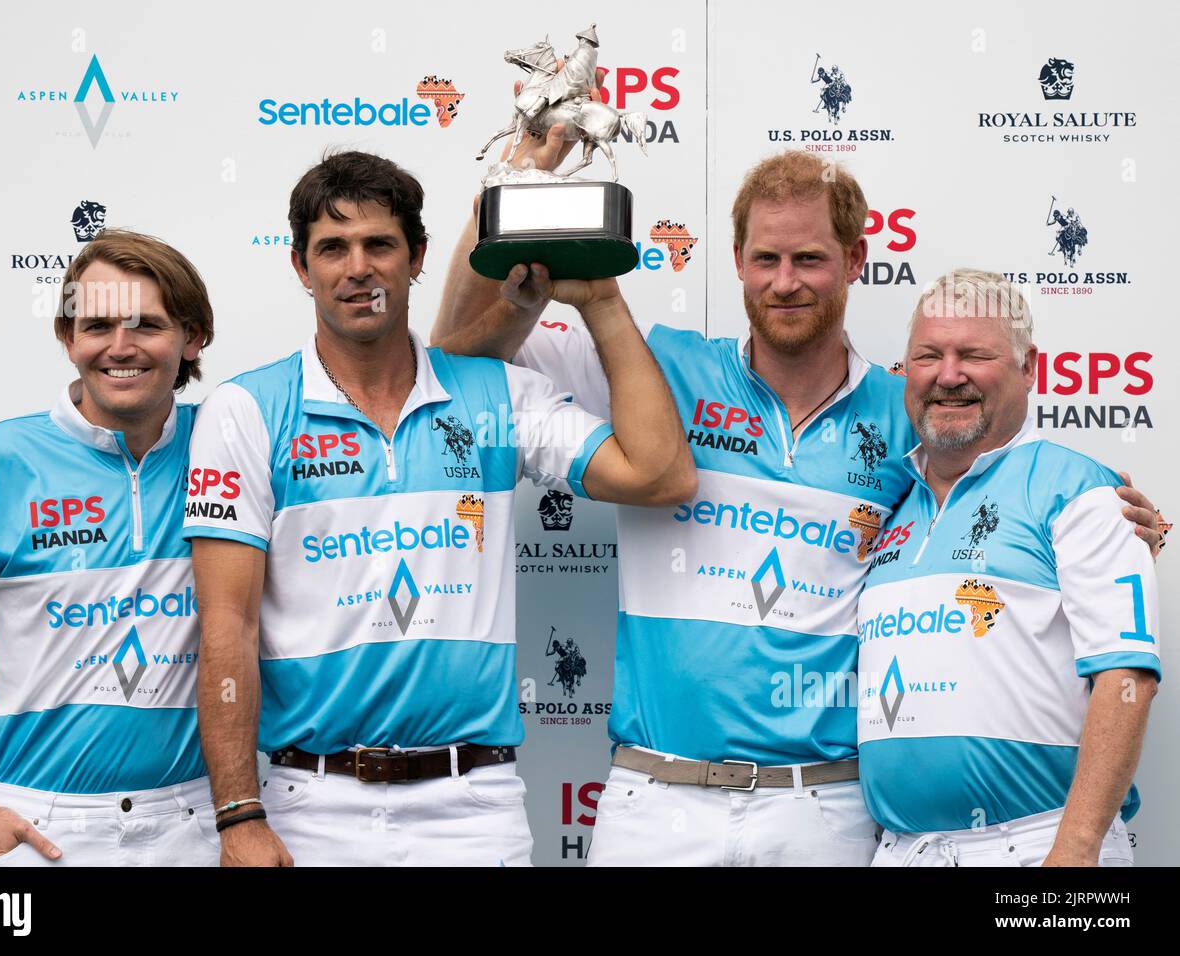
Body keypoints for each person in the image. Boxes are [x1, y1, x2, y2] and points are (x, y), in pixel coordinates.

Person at [434, 145, 1162, 866]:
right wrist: (507, 186)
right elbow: (462, 362)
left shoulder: (906, 410)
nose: (785, 283)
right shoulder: (655, 367)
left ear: (855, 260)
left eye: (810, 259)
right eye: (766, 260)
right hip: (655, 799)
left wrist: (1106, 518)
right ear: (737, 260)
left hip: (827, 809)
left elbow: (1006, 479)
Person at [183, 150, 693, 867]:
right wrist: (238, 815)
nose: (357, 268)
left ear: (417, 256)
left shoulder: (497, 395)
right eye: (332, 248)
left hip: (475, 811)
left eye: (379, 245)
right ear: (300, 267)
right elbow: (226, 626)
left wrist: (601, 302)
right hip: (312, 804)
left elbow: (658, 475)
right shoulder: (247, 411)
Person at [0, 229, 218, 866]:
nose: (120, 348)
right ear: (68, 340)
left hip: (195, 822)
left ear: (192, 337)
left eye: (146, 324)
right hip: (38, 831)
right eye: (96, 326)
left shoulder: (229, 447)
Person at [858, 270, 1159, 866]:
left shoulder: (1080, 489)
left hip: (1040, 847)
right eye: (928, 356)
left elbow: (1128, 678)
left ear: (1029, 369)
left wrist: (1074, 852)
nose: (948, 375)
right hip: (904, 851)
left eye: (974, 354)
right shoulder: (887, 500)